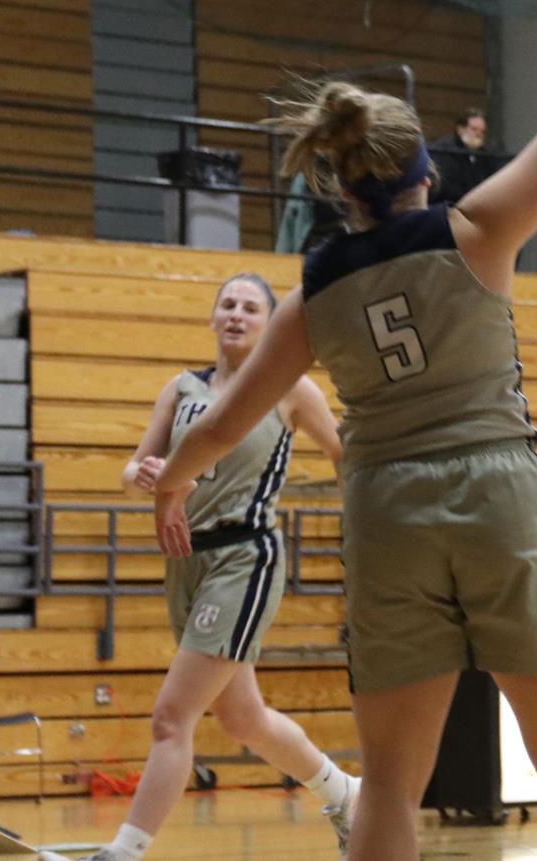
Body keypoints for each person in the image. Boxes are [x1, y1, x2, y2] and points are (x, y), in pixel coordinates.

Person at [156, 59, 537, 861]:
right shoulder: (476, 230)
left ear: (341, 191)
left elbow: (222, 425)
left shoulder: (310, 298)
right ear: (427, 174)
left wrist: (170, 479)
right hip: (496, 489)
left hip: (385, 511)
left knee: (392, 784)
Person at [99, 274, 358, 861]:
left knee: (172, 718)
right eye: (228, 305)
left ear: (269, 324)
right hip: (187, 559)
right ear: (213, 318)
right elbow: (136, 467)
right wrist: (140, 476)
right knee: (243, 719)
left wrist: (364, 529)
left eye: (250, 307)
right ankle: (345, 793)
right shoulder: (181, 388)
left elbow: (346, 455)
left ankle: (124, 851)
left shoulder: (292, 390)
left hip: (247, 556)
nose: (237, 314)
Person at [431, 105, 495, 200]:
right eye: (474, 129)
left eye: (482, 131)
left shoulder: (485, 154)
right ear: (460, 130)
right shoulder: (446, 149)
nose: (479, 134)